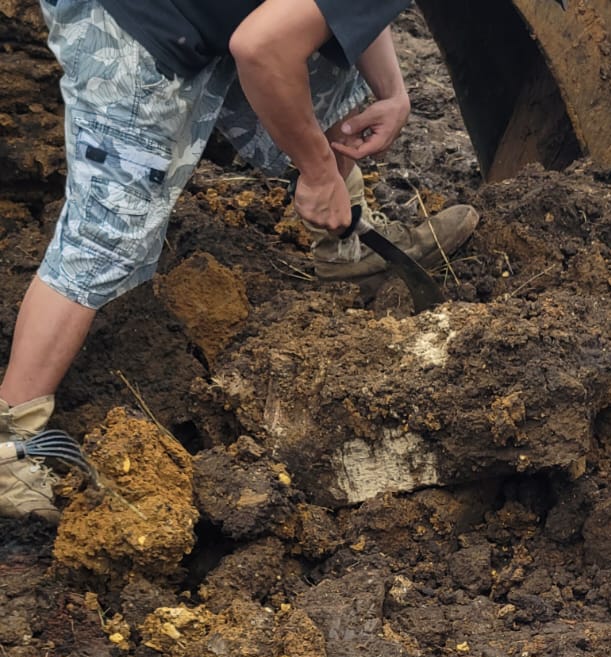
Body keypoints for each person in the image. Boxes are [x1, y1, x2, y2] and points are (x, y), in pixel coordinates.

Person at [0, 0, 479, 522]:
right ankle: (10, 436)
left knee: (329, 72)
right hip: (135, 18)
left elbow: (342, 14)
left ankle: (348, 250)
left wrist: (394, 94)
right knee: (107, 231)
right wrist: (318, 172)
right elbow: (261, 47)